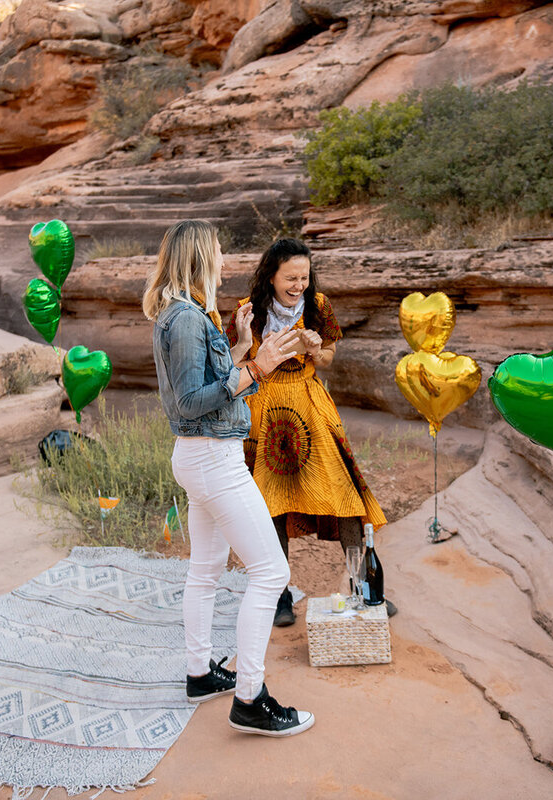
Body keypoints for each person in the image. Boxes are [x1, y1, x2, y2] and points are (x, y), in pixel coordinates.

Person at [144, 219, 315, 737]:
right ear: (201, 257)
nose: (224, 258)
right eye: (218, 250)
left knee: (207, 567)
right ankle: (250, 699)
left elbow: (205, 385)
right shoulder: (188, 319)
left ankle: (200, 674)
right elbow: (194, 403)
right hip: (213, 459)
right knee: (271, 574)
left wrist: (241, 345)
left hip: (199, 457)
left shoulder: (187, 314)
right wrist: (260, 367)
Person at [225, 238, 390, 627]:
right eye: (290, 278)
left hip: (312, 408)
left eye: (304, 276)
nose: (299, 284)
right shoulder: (248, 312)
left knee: (344, 493)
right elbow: (234, 360)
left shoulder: (318, 306)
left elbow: (329, 357)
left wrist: (315, 350)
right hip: (265, 409)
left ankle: (364, 587)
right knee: (272, 505)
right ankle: (279, 596)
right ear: (271, 276)